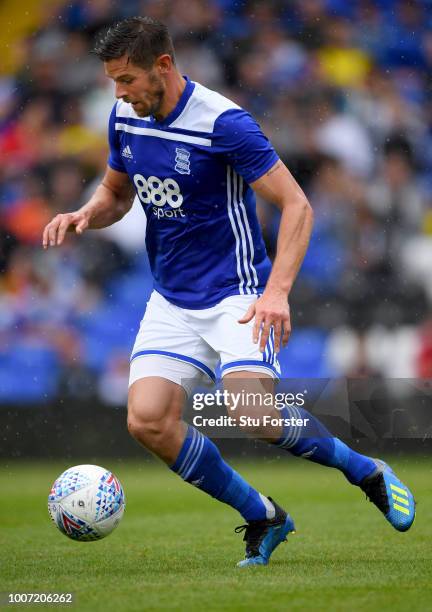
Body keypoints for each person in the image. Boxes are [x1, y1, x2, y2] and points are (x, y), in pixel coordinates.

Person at [42, 17, 415, 567]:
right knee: (146, 420)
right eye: (113, 81)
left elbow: (297, 205)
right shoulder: (125, 116)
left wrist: (277, 292)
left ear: (163, 67)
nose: (117, 93)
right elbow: (118, 193)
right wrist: (85, 214)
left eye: (125, 80)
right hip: (171, 297)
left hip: (238, 295)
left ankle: (366, 471)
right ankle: (264, 515)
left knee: (250, 414)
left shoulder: (224, 123)